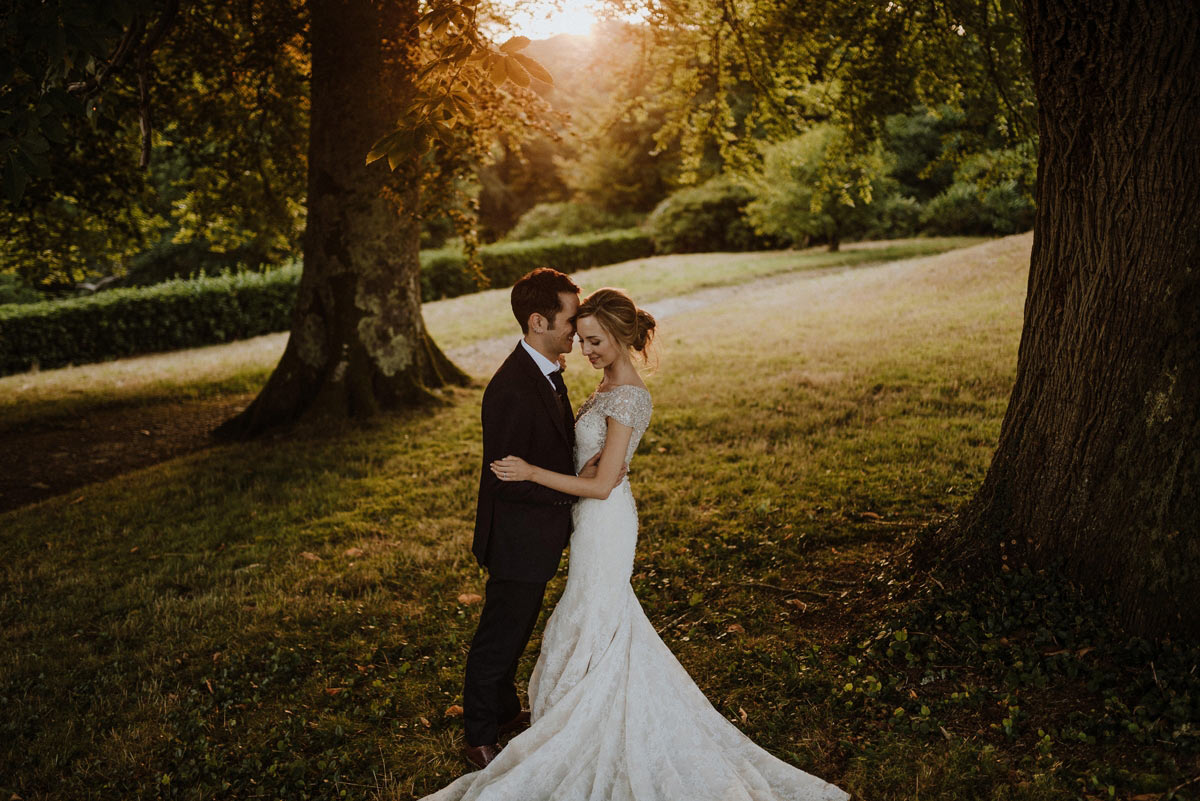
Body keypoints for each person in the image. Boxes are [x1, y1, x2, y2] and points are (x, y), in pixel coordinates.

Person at [421, 287, 850, 801]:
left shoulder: (625, 393)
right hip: (550, 525)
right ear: (543, 323)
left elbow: (600, 481)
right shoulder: (544, 384)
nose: (583, 348)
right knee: (528, 622)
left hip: (601, 521)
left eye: (594, 339)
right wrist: (574, 470)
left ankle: (573, 709)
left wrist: (552, 472)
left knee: (593, 613)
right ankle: (488, 730)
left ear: (621, 337)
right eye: (577, 336)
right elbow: (556, 464)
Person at [460, 267, 621, 770]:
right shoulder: (511, 388)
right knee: (501, 633)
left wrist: (582, 464)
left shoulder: (545, 371)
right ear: (537, 321)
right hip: (516, 536)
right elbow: (509, 477)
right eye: (570, 320)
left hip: (536, 534)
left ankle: (504, 709)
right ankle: (478, 733)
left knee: (518, 625)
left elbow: (546, 449)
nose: (577, 329)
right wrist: (572, 495)